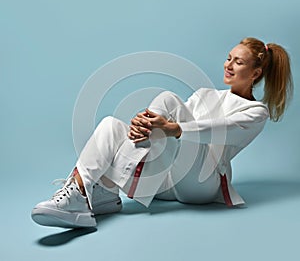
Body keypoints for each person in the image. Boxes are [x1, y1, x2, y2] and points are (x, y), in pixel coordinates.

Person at [31, 37, 293, 228]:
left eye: (239, 62)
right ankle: (97, 192)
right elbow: (169, 127)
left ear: (256, 73)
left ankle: (97, 189)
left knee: (168, 100)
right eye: (228, 58)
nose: (229, 65)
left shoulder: (257, 111)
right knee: (111, 125)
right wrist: (145, 124)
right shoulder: (205, 95)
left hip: (202, 183)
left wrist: (173, 128)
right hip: (166, 182)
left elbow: (219, 132)